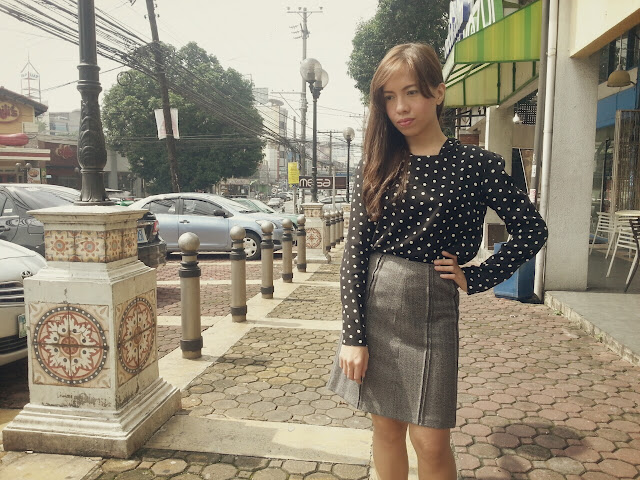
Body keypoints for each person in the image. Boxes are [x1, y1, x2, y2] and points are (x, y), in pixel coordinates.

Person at [327, 43, 548, 480]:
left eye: (411, 92)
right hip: (376, 305)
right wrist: (353, 336)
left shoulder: (477, 164)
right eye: (389, 97)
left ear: (438, 92)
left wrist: (477, 276)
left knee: (431, 440)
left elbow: (531, 229)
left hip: (434, 311)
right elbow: (354, 254)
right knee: (386, 427)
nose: (400, 107)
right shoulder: (376, 162)